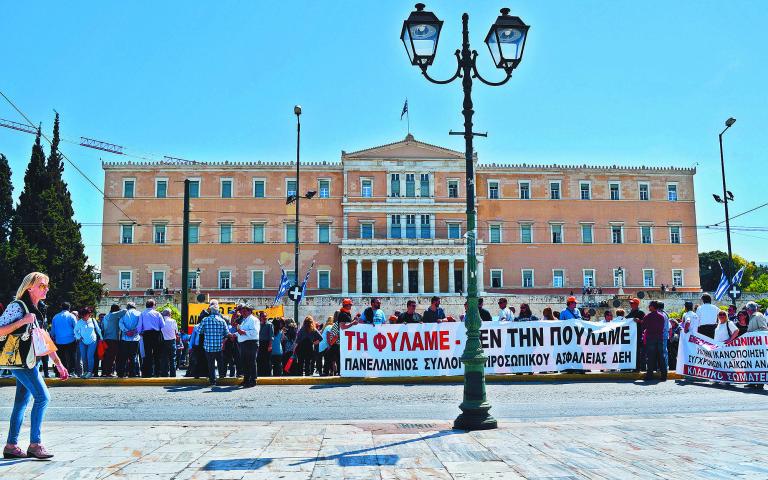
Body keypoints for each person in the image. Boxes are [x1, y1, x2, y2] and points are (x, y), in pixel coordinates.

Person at [1, 272, 69, 459]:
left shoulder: (39, 308)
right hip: (21, 362)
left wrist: (58, 363)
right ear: (29, 287)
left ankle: (11, 446)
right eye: (42, 285)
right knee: (43, 398)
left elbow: (43, 339)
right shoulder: (17, 307)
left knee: (21, 403)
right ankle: (35, 444)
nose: (46, 288)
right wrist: (23, 321)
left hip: (30, 361)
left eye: (47, 285)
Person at [198, 302, 229, 386]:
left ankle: (213, 380)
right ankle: (221, 376)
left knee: (211, 364)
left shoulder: (205, 320)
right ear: (218, 311)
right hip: (219, 346)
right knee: (220, 362)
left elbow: (199, 331)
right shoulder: (222, 321)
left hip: (208, 346)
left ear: (210, 311)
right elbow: (226, 333)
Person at [136, 299, 164, 377]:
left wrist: (140, 333)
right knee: (157, 354)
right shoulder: (157, 313)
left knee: (147, 354)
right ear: (153, 305)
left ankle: (148, 373)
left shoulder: (142, 313)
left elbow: (139, 326)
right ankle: (157, 373)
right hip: (156, 334)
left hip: (147, 334)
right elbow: (163, 325)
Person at [642, 301, 667, 381]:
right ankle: (664, 375)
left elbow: (643, 327)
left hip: (651, 338)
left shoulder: (648, 316)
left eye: (649, 306)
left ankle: (650, 375)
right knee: (661, 357)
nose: (649, 307)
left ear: (652, 307)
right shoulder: (661, 316)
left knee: (650, 358)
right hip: (660, 338)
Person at [73, 307, 101, 379]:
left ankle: (90, 372)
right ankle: (85, 372)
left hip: (92, 341)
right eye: (83, 315)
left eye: (86, 315)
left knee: (90, 357)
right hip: (82, 342)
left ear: (89, 314)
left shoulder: (93, 320)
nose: (84, 317)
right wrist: (79, 337)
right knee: (84, 357)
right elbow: (75, 331)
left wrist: (102, 338)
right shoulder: (80, 322)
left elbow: (98, 330)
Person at [50, 302, 77, 374]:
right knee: (71, 357)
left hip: (59, 340)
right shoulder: (71, 316)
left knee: (61, 357)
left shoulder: (55, 317)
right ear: (69, 308)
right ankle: (71, 372)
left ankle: (62, 372)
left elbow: (53, 330)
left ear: (61, 308)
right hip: (71, 339)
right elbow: (76, 328)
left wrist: (52, 338)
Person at [235, 305, 258, 387]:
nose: (242, 313)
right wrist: (234, 334)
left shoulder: (253, 320)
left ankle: (253, 380)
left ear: (249, 311)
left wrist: (243, 332)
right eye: (242, 311)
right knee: (245, 362)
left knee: (251, 361)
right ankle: (246, 379)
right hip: (244, 343)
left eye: (245, 311)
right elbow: (241, 331)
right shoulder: (245, 320)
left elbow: (254, 332)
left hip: (251, 343)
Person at [117, 302, 141, 378]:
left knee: (123, 357)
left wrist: (126, 331)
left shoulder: (124, 313)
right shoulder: (139, 313)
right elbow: (140, 324)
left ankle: (121, 373)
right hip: (135, 338)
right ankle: (132, 373)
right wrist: (134, 331)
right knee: (133, 357)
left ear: (127, 307)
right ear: (134, 307)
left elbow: (120, 323)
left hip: (125, 338)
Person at [100, 304, 125, 377]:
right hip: (113, 339)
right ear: (117, 309)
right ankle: (109, 373)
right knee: (111, 357)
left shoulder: (106, 316)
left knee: (106, 356)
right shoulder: (114, 315)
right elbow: (125, 311)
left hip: (106, 338)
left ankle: (104, 372)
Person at [625, 298, 646, 373]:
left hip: (638, 335)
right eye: (630, 303)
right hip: (630, 336)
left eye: (632, 303)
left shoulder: (641, 313)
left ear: (636, 304)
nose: (631, 305)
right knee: (631, 351)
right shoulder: (630, 313)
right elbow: (625, 321)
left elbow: (645, 323)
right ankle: (631, 366)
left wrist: (639, 321)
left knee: (637, 352)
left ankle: (637, 367)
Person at [159, 308, 178, 377]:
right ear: (170, 314)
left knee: (164, 358)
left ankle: (164, 373)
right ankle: (173, 374)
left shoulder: (161, 321)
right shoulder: (173, 321)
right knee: (173, 359)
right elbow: (176, 332)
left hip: (163, 341)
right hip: (172, 341)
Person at [257, 312, 274, 377]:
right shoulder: (258, 324)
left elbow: (271, 336)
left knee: (267, 360)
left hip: (267, 343)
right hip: (260, 343)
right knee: (259, 359)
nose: (265, 318)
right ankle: (260, 374)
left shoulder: (269, 325)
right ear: (260, 317)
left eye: (265, 316)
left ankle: (268, 375)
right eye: (263, 316)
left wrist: (270, 345)